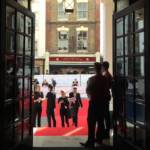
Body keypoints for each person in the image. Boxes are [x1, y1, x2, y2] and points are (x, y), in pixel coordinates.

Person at [80, 62, 108, 148]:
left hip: (94, 103)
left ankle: (90, 141)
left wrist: (91, 97)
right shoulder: (105, 79)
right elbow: (106, 91)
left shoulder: (92, 79)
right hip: (102, 103)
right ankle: (99, 139)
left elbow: (88, 90)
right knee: (100, 121)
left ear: (95, 69)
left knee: (91, 123)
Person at [102, 61, 113, 138]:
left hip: (105, 96)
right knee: (106, 115)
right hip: (106, 96)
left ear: (104, 67)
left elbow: (106, 87)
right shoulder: (108, 74)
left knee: (105, 115)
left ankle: (106, 132)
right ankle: (106, 131)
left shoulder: (106, 75)